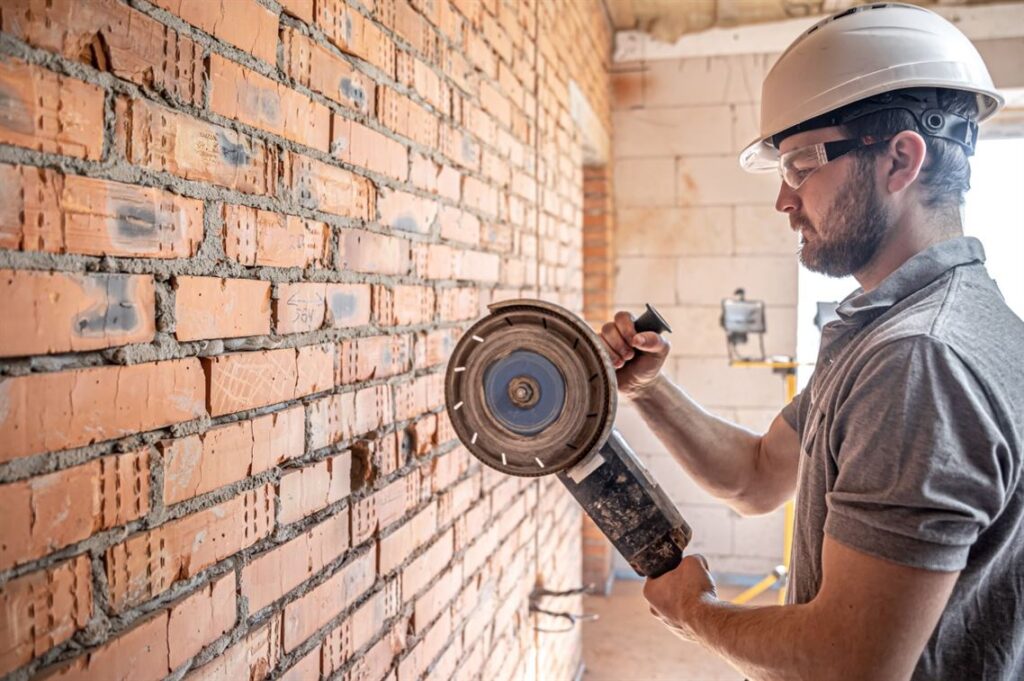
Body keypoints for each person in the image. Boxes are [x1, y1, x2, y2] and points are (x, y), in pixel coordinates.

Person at [600, 4, 1024, 680]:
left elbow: (847, 663)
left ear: (900, 160)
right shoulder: (894, 328)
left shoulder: (919, 359)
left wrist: (696, 614)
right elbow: (759, 475)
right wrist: (649, 390)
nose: (784, 200)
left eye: (801, 163)